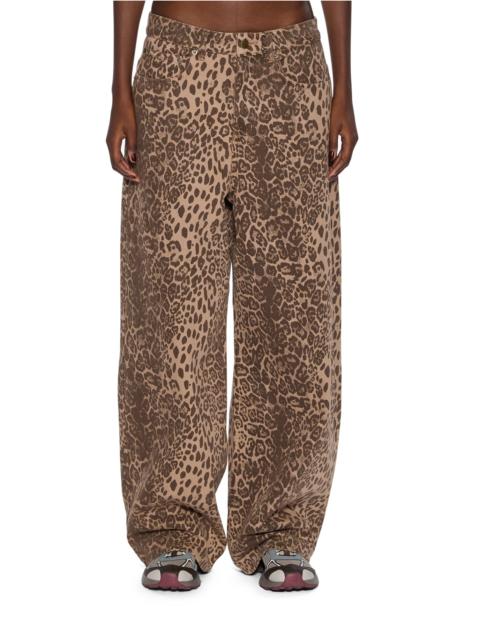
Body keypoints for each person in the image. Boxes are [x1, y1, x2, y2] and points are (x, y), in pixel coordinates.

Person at [106, 0, 357, 592]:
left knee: (295, 307)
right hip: (178, 63)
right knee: (170, 308)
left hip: (290, 69)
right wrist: (121, 86)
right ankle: (171, 526)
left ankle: (282, 527)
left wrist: (343, 85)